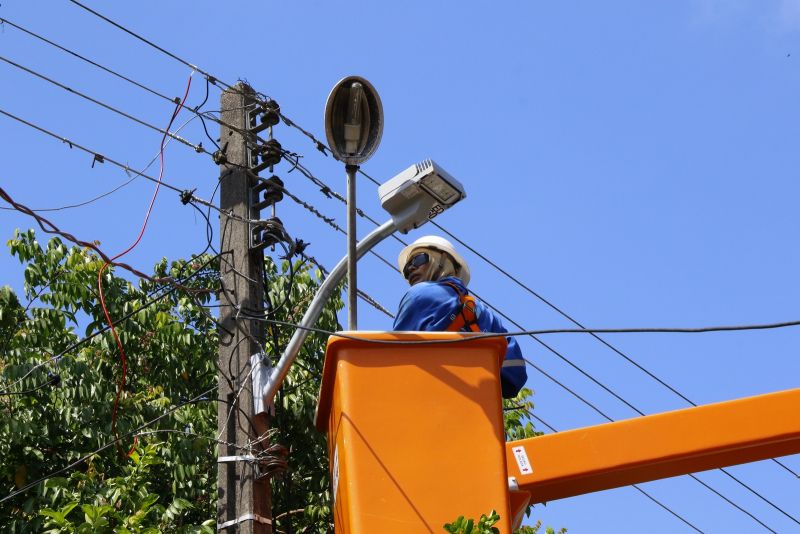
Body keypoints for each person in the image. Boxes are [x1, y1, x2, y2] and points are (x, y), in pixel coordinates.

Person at [393, 235, 527, 398]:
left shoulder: (419, 295)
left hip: (432, 397)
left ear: (442, 260)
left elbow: (395, 359)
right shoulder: (487, 314)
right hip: (477, 409)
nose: (411, 269)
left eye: (418, 260)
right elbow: (514, 377)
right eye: (406, 269)